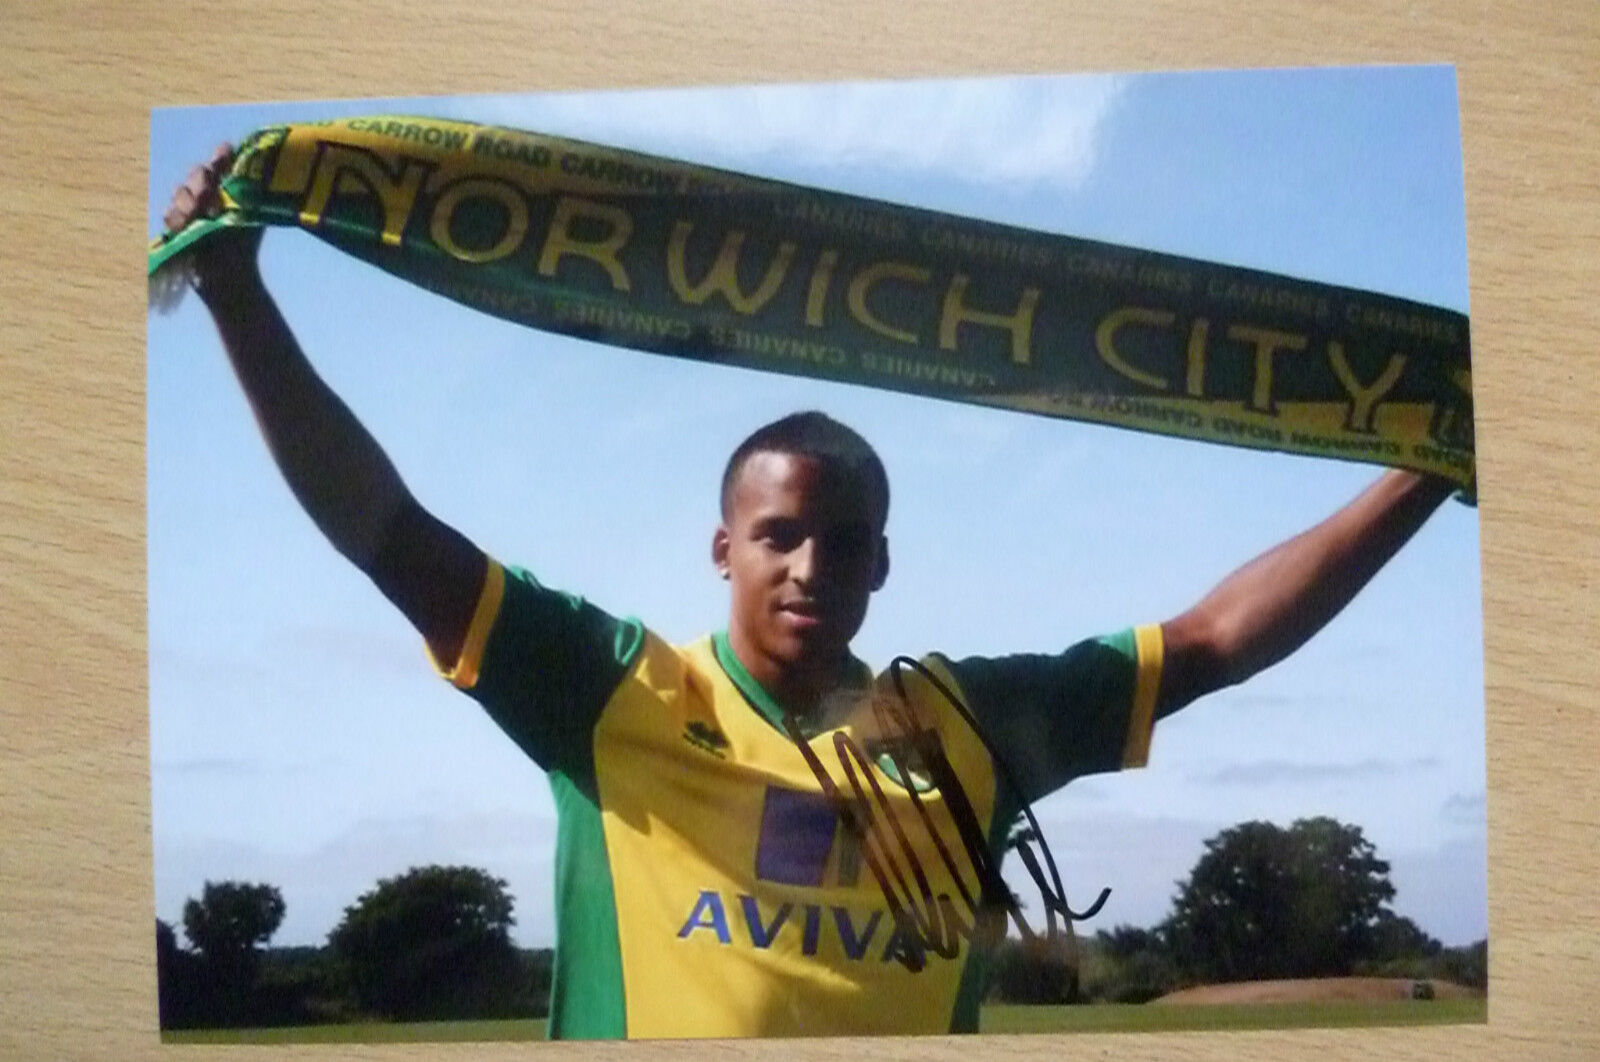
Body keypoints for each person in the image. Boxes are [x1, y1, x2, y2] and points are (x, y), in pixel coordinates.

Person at [162, 145, 1457, 1039]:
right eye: (778, 535)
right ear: (722, 548)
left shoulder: (969, 723)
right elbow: (384, 529)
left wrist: (1432, 465)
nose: (810, 566)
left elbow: (1216, 640)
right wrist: (233, 292)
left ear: (883, 561)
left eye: (845, 541)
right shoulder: (609, 688)